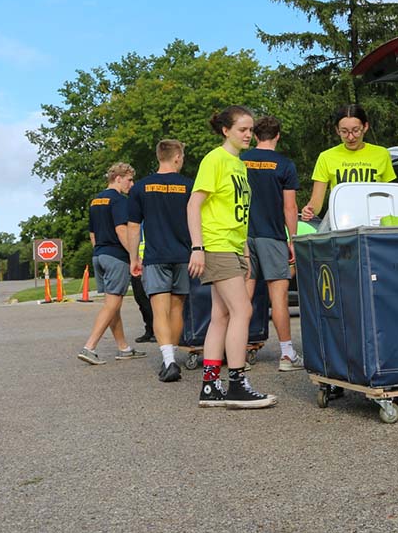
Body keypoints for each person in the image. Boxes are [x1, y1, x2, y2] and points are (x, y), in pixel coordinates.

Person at [188, 105, 275, 409]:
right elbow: (194, 204)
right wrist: (198, 247)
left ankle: (211, 387)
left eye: (251, 130)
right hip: (217, 244)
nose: (248, 134)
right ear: (226, 130)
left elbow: (239, 212)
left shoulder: (239, 164)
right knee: (243, 311)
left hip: (235, 245)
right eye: (242, 129)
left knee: (221, 315)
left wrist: (246, 251)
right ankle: (237, 384)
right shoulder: (216, 159)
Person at [127, 140, 194, 382]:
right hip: (183, 256)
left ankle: (169, 362)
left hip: (155, 257)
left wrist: (134, 258)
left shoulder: (141, 188)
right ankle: (172, 358)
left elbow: (133, 227)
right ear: (177, 157)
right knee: (177, 309)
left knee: (159, 311)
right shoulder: (189, 186)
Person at [241, 116, 304, 372]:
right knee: (278, 296)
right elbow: (290, 207)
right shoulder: (285, 165)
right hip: (273, 236)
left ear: (255, 135)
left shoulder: (240, 161)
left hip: (242, 238)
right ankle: (287, 355)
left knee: (242, 298)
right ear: (278, 135)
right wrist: (293, 238)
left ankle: (239, 353)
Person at [78, 163, 147, 366]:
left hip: (99, 255)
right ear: (118, 178)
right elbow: (121, 230)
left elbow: (92, 234)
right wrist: (134, 257)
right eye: (129, 179)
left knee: (113, 305)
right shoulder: (119, 200)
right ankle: (89, 347)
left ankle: (124, 348)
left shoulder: (95, 201)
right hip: (116, 256)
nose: (131, 184)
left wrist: (100, 251)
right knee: (112, 304)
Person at [300, 103, 395, 225]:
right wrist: (309, 210)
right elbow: (316, 202)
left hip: (375, 223)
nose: (350, 137)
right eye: (344, 132)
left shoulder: (382, 154)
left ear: (365, 127)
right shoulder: (326, 157)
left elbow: (390, 195)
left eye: (356, 131)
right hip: (342, 222)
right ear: (337, 130)